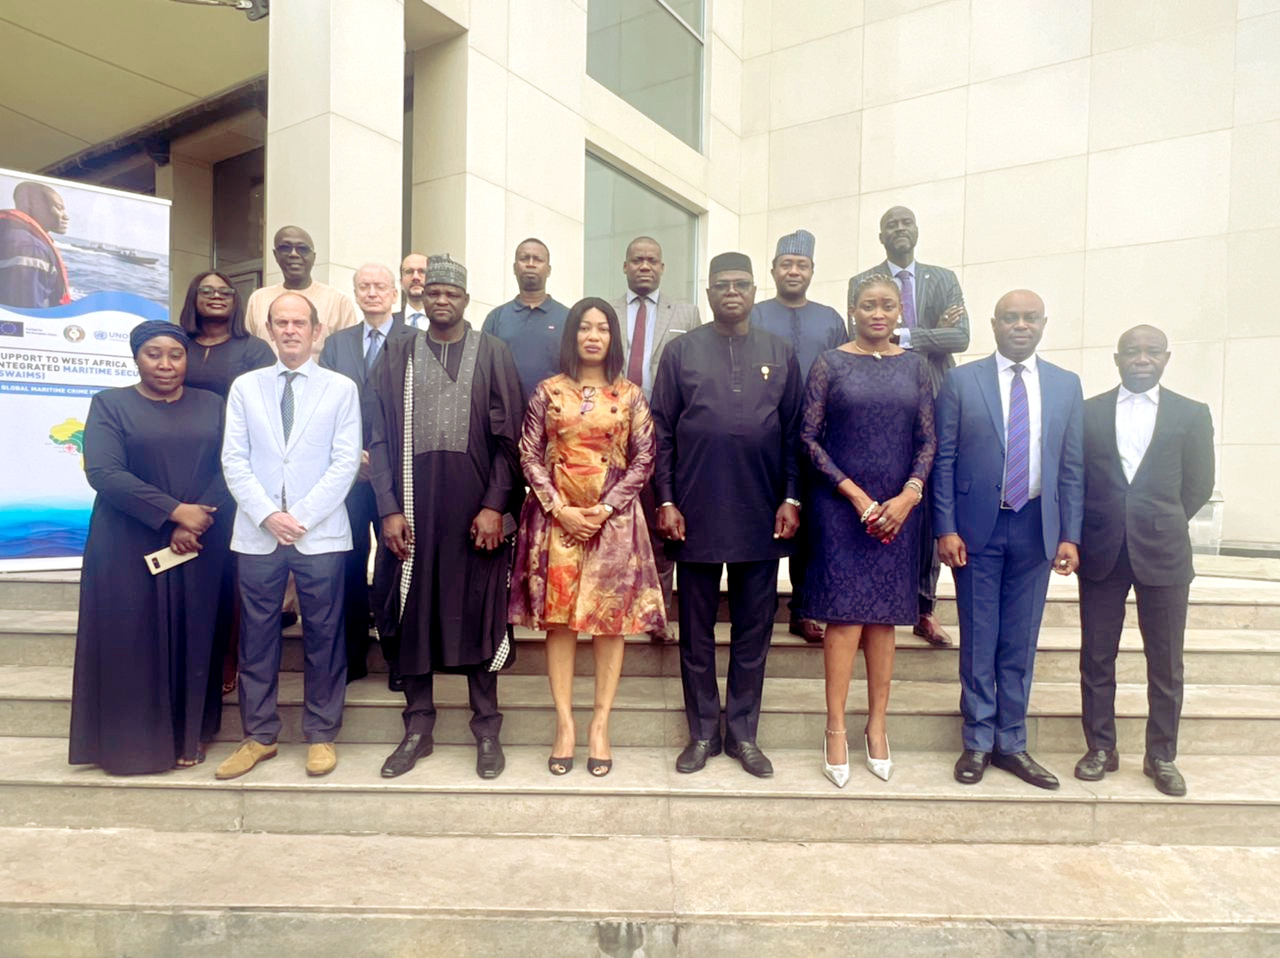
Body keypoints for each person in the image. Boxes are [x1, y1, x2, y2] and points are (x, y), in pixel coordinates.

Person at [369, 254, 523, 780]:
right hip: (414, 512)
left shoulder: (493, 352)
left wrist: (495, 505)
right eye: (432, 291)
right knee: (413, 612)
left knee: (481, 612)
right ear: (421, 296)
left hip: (476, 516)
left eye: (450, 293)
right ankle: (418, 728)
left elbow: (511, 439)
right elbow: (378, 436)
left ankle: (487, 729)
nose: (440, 300)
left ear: (465, 299)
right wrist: (388, 508)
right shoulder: (398, 352)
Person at [650, 252, 802, 778]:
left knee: (753, 631)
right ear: (709, 293)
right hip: (694, 512)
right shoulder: (681, 352)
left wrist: (791, 497)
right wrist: (665, 500)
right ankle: (701, 734)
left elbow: (793, 433)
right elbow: (661, 431)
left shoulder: (780, 352)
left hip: (761, 512)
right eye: (722, 285)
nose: (732, 292)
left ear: (755, 291)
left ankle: (742, 735)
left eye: (741, 284)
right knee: (695, 633)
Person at [933, 289, 1084, 790]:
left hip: (1037, 528)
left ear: (1043, 324)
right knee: (979, 638)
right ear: (994, 324)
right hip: (977, 529)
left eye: (1030, 318)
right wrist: (945, 527)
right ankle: (978, 741)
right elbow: (944, 459)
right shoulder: (962, 380)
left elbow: (1072, 466)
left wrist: (1070, 535)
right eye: (1011, 318)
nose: (1021, 325)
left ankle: (1012, 743)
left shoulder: (1065, 385)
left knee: (1020, 640)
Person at [510, 298, 665, 777]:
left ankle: (600, 725)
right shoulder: (548, 391)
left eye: (602, 328)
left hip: (612, 522)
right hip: (556, 520)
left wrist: (604, 508)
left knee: (608, 623)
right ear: (572, 335)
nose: (593, 336)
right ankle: (564, 725)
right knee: (560, 623)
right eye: (584, 327)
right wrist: (559, 508)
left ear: (613, 337)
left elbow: (645, 458)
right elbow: (528, 453)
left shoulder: (631, 395)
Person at [69, 321, 230, 774]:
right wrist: (175, 512)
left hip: (199, 540)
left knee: (195, 636)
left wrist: (198, 516)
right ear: (136, 357)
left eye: (175, 355)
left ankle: (190, 735)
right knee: (131, 640)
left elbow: (231, 465)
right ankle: (131, 747)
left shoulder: (212, 405)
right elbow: (104, 472)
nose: (165, 364)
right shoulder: (110, 404)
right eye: (153, 354)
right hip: (126, 541)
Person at [216, 292, 361, 780]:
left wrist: (298, 516)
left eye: (300, 323)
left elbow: (345, 462)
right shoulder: (246, 387)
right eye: (282, 323)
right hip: (258, 534)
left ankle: (321, 734)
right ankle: (259, 736)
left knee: (324, 636)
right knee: (257, 638)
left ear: (317, 331)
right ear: (270, 331)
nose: (291, 330)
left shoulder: (341, 389)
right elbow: (234, 459)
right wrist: (267, 515)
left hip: (318, 533)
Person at [797, 274, 935, 786]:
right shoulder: (829, 364)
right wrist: (855, 495)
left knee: (883, 622)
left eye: (887, 306)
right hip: (841, 507)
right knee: (845, 618)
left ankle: (877, 725)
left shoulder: (916, 366)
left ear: (900, 311)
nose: (878, 314)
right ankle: (835, 727)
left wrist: (908, 496)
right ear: (853, 310)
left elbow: (928, 439)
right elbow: (808, 439)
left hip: (899, 509)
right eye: (869, 305)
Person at [1075, 325, 1214, 797]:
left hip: (1165, 552)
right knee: (1096, 657)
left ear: (1166, 358)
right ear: (1116, 359)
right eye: (1131, 351)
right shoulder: (1089, 412)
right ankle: (1101, 748)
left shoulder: (1191, 414)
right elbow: (1078, 478)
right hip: (1102, 550)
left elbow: (1198, 484)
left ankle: (1161, 756)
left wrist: (1158, 520)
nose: (1141, 358)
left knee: (1166, 661)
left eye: (1151, 351)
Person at [851, 206, 970, 648]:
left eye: (906, 223)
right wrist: (930, 331)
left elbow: (961, 336)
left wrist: (905, 334)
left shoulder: (943, 278)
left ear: (917, 231)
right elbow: (863, 333)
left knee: (928, 498)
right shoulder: (863, 280)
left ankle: (924, 607)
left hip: (936, 398)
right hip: (884, 398)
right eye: (892, 225)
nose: (900, 230)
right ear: (881, 236)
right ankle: (870, 599)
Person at [319, 263, 416, 689]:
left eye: (380, 286)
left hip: (395, 473)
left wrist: (384, 458)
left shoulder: (414, 341)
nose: (372, 292)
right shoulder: (337, 344)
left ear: (394, 294)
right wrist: (348, 455)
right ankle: (352, 655)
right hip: (349, 475)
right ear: (355, 293)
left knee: (396, 562)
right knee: (349, 561)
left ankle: (398, 658)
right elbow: (324, 403)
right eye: (364, 286)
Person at [750, 228, 848, 644]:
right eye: (787, 264)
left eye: (801, 265)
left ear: (812, 271)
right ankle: (759, 607)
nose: (794, 271)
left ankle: (804, 608)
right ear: (773, 269)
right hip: (765, 434)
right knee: (764, 517)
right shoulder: (755, 315)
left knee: (810, 524)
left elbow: (845, 372)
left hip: (818, 437)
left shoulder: (830, 319)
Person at [611, 236, 701, 644]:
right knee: (614, 522)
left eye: (652, 260)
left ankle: (657, 615)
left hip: (666, 432)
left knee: (660, 523)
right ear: (625, 266)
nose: (644, 266)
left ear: (662, 267)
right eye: (637, 260)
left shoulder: (686, 313)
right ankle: (612, 607)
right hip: (614, 434)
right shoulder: (606, 311)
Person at [244, 225, 359, 358]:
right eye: (285, 248)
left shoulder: (338, 301)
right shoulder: (258, 299)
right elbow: (248, 351)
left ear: (313, 257)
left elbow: (348, 355)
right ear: (275, 255)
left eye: (303, 249)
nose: (294, 254)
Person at [481, 238, 570, 402]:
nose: (530, 264)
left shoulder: (568, 318)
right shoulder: (496, 318)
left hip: (554, 411)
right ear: (515, 268)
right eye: (524, 258)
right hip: (506, 412)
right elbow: (484, 372)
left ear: (549, 270)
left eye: (538, 259)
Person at [178, 272, 276, 397]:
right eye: (207, 291)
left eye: (226, 292)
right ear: (193, 298)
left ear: (234, 301)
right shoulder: (179, 344)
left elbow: (268, 397)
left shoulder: (255, 349)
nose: (217, 296)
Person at [0, 181, 71, 308]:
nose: (66, 217)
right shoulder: (30, 249)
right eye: (59, 208)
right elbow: (25, 311)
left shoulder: (10, 235)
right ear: (31, 206)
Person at [398, 252, 428, 328]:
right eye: (409, 271)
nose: (415, 277)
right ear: (401, 282)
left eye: (422, 271)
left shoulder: (446, 324)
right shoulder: (388, 324)